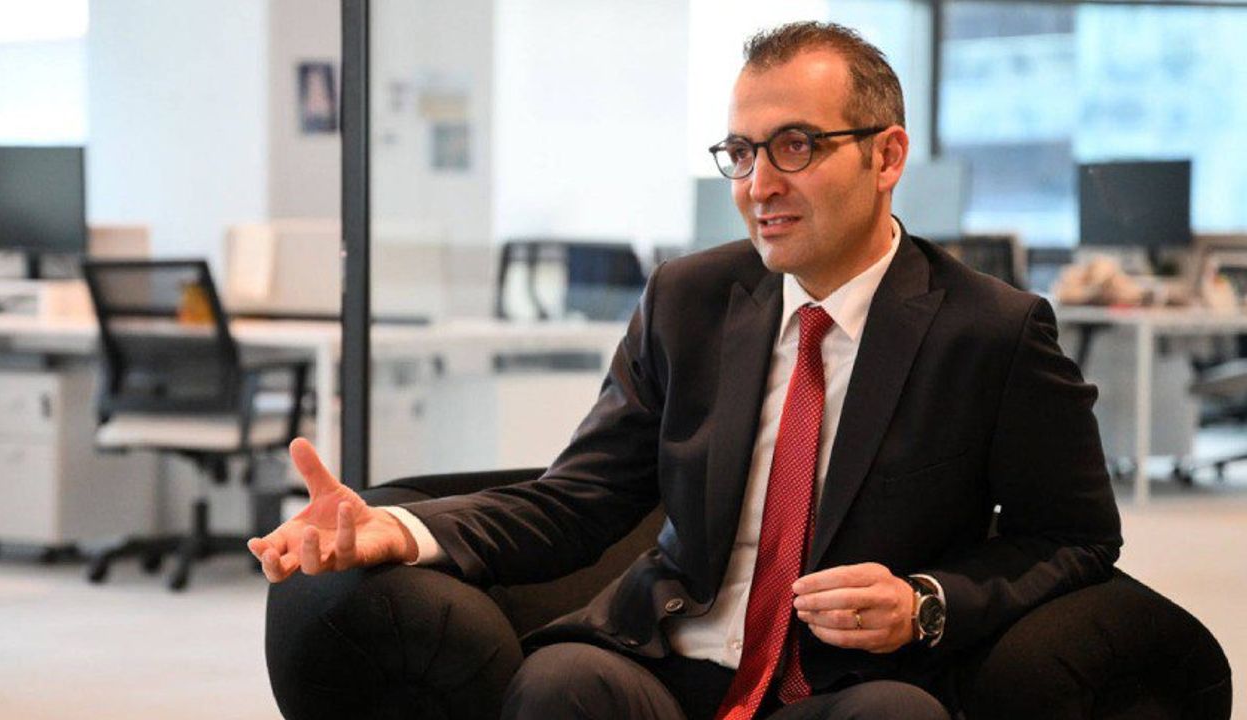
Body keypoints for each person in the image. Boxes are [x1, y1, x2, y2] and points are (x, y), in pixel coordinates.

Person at [249, 21, 1122, 720]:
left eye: (795, 146)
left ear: (886, 157)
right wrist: (401, 529)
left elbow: (1074, 536)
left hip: (846, 683)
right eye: (741, 151)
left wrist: (927, 601)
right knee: (560, 686)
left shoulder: (991, 332)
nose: (758, 185)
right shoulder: (689, 299)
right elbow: (578, 499)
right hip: (668, 657)